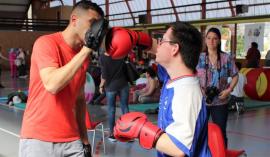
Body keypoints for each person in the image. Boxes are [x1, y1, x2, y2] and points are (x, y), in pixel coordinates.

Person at [108, 22, 211, 156]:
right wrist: (137, 38)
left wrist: (140, 130)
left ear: (174, 49)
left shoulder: (186, 92)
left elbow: (178, 148)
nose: (158, 44)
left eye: (162, 40)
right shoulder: (173, 76)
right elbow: (156, 47)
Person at [19, 1, 108, 157]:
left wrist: (85, 141)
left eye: (98, 25)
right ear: (74, 20)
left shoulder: (83, 56)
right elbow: (52, 85)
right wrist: (86, 50)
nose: (96, 30)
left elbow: (79, 100)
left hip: (72, 139)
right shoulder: (46, 43)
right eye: (92, 23)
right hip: (39, 138)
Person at [196, 27, 238, 147]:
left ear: (219, 40)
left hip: (221, 101)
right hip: (202, 102)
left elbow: (235, 75)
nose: (211, 41)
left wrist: (229, 90)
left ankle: (221, 153)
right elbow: (192, 76)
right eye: (209, 38)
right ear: (205, 40)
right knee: (199, 133)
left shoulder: (226, 58)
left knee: (220, 132)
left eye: (215, 38)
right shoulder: (199, 58)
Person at [98, 51, 130, 142]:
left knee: (111, 110)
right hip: (123, 84)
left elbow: (104, 75)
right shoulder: (120, 53)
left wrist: (100, 86)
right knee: (125, 107)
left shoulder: (103, 57)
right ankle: (128, 132)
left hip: (111, 87)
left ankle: (112, 134)